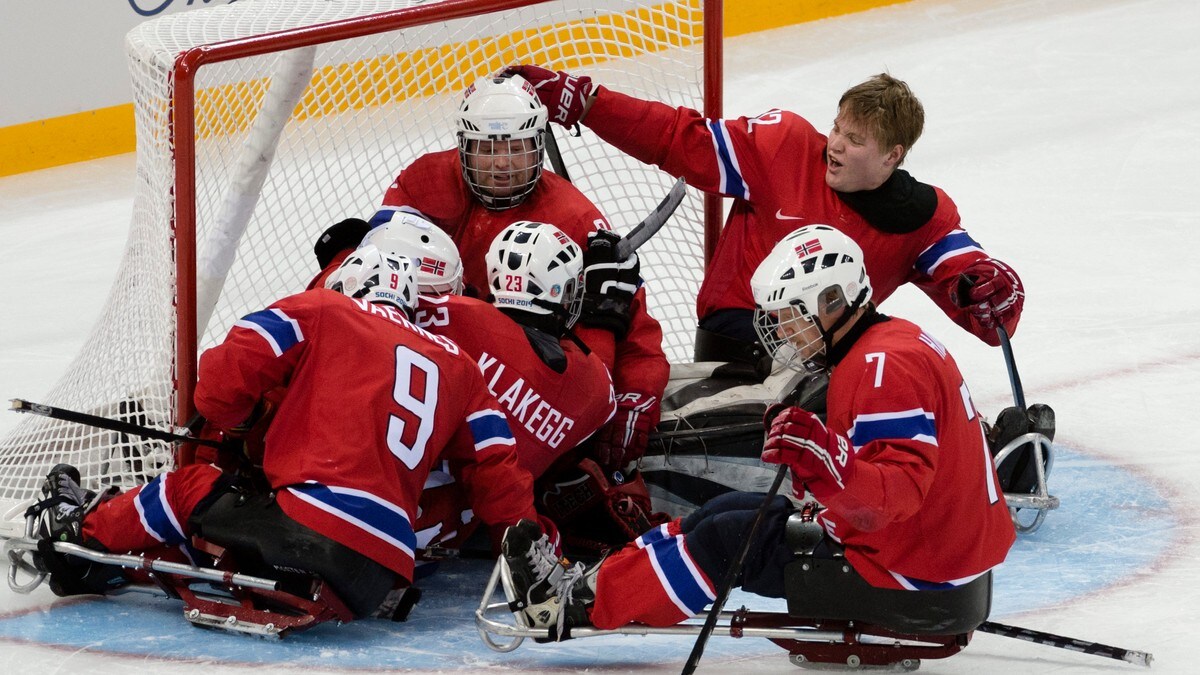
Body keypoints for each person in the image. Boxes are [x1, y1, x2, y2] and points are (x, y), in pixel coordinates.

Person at [497, 224, 1016, 639]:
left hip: (913, 573)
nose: (782, 333)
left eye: (791, 317)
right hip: (939, 553)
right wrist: (827, 466)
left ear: (831, 302)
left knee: (727, 537)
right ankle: (590, 587)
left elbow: (893, 496)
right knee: (728, 512)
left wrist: (828, 464)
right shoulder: (891, 341)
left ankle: (570, 608)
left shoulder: (880, 368)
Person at [29, 247, 541, 622]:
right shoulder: (461, 366)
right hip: (382, 573)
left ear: (344, 285)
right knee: (234, 523)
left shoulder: (322, 309)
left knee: (190, 489)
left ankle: (79, 533)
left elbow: (220, 385)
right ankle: (129, 563)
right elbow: (499, 471)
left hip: (309, 527)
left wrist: (238, 423)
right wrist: (527, 559)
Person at [505, 65, 1025, 362]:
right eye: (838, 128)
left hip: (824, 348)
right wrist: (589, 103)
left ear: (893, 156)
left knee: (907, 356)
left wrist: (995, 292)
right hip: (738, 334)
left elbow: (980, 295)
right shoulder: (786, 147)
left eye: (856, 140)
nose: (836, 146)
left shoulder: (920, 217)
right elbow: (676, 136)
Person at [312, 73, 671, 476]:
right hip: (418, 363)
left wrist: (635, 399)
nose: (502, 164)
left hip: (513, 388)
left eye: (517, 147)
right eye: (487, 149)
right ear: (463, 146)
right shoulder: (426, 181)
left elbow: (631, 325)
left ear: (538, 145)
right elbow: (371, 276)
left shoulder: (575, 219)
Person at [352, 216, 664, 553]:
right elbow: (590, 374)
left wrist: (344, 263)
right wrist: (605, 312)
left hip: (346, 503)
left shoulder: (449, 316)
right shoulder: (594, 392)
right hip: (435, 539)